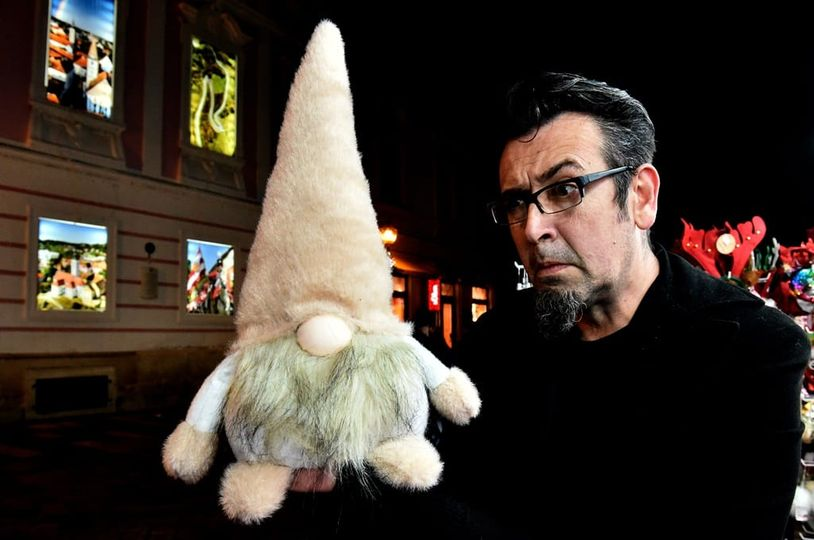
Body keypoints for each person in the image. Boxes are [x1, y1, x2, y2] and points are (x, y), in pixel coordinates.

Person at [431, 72, 810, 540]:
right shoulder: (494, 344)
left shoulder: (754, 348)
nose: (531, 229)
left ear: (641, 197)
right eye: (516, 202)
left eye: (565, 189)